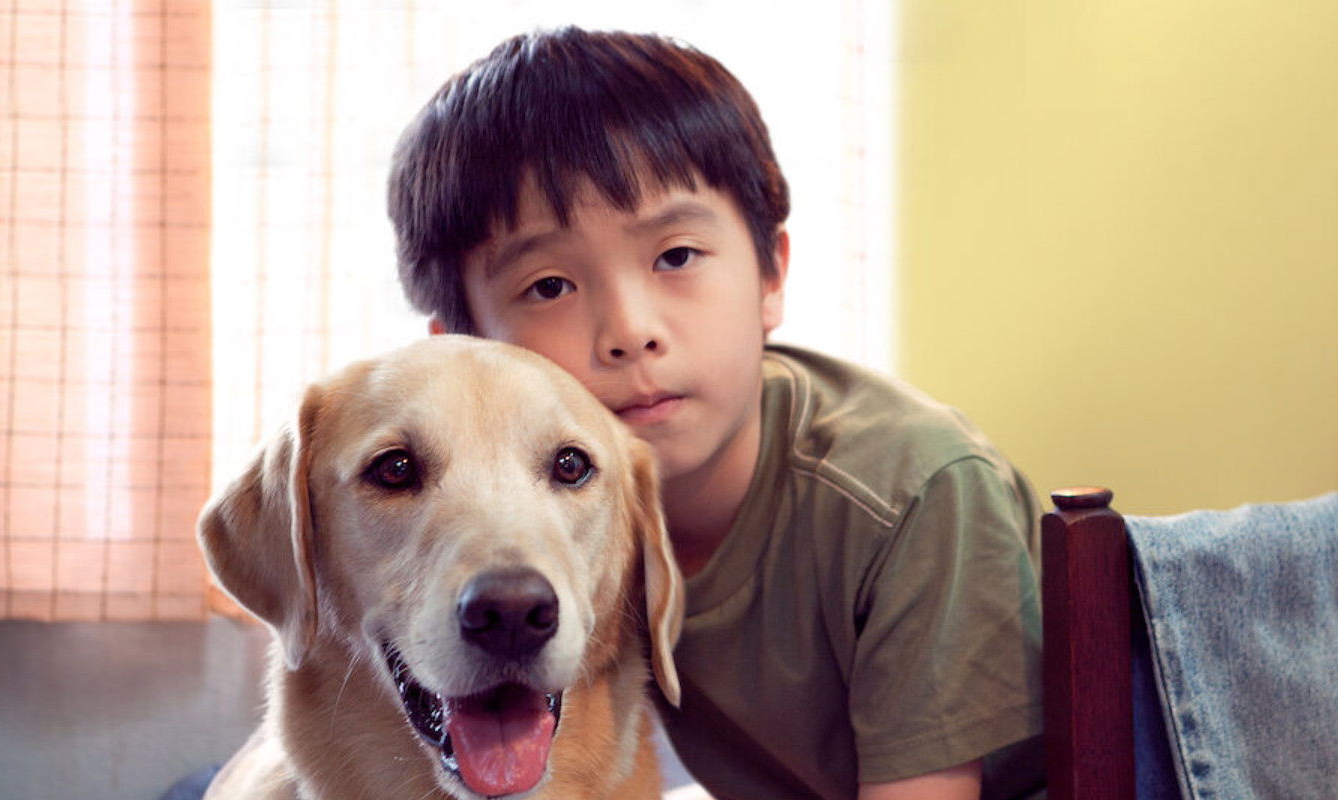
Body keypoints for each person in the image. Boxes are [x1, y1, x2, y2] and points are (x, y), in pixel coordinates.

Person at [386, 26, 1044, 800]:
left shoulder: (913, 490)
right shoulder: (519, 541)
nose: (631, 331)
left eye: (676, 257)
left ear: (771, 276)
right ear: (465, 349)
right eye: (550, 286)